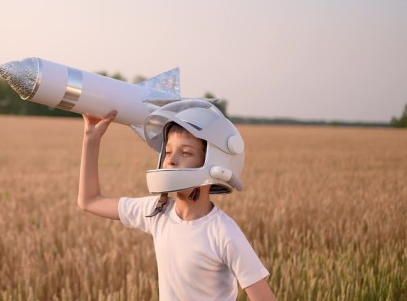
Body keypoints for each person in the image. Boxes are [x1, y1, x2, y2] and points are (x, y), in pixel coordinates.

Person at [77, 100, 276, 301]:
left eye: (186, 152)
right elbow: (89, 200)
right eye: (168, 151)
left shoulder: (225, 234)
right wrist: (90, 139)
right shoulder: (157, 212)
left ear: (214, 164)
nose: (171, 160)